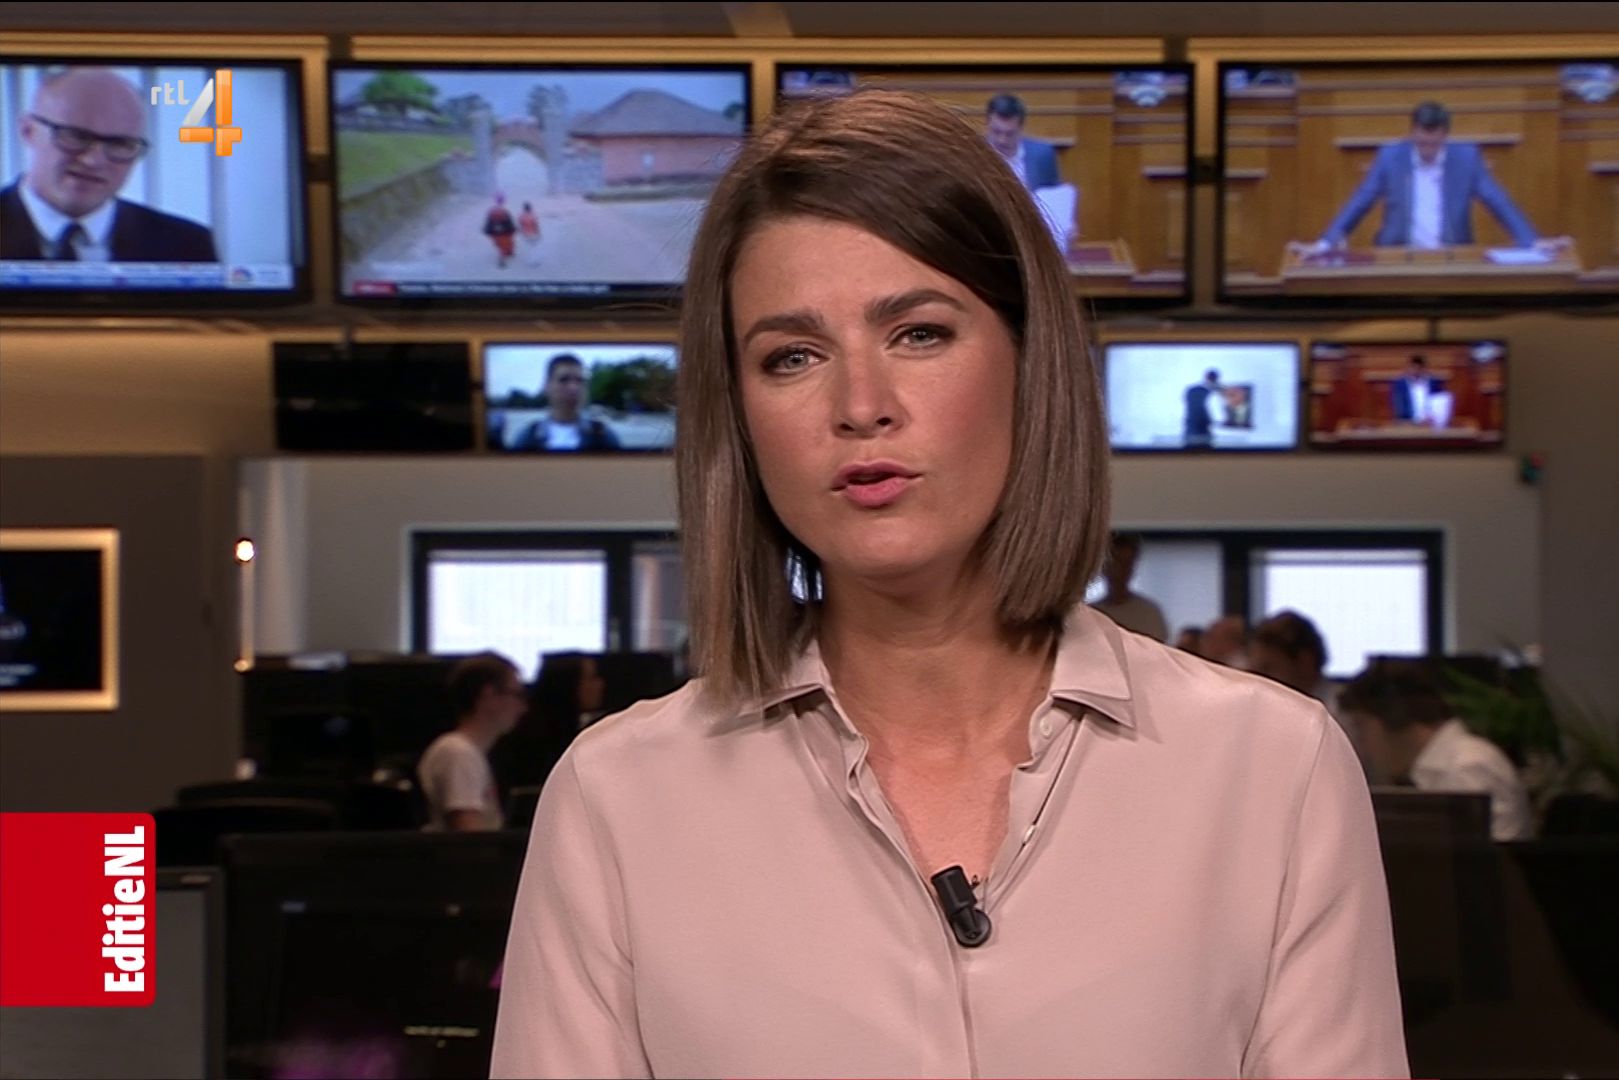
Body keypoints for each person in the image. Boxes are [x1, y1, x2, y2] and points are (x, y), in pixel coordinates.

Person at [492, 89, 1406, 1079]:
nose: (861, 405)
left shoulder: (1271, 770)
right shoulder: (618, 799)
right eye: (792, 356)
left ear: (1029, 361)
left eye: (919, 333)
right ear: (741, 416)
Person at [0, 67, 217, 263]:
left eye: (119, 144)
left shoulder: (188, 244)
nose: (93, 161)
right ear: (28, 131)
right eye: (76, 136)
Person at [1339, 660, 1535, 842]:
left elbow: (1475, 860)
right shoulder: (1450, 765)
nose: (1360, 745)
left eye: (1360, 727)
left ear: (1394, 718)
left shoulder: (1467, 767)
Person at [1313, 101, 1544, 253]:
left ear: (1445, 135)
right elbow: (1361, 200)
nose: (1427, 149)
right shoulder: (1391, 157)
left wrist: (1530, 242)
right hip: (1397, 256)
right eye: (1422, 143)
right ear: (1413, 132)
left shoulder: (1466, 157)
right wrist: (1326, 243)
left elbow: (1497, 200)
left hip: (1452, 257)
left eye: (1434, 144)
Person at [418, 652, 526, 833]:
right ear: (488, 695)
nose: (522, 708)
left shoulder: (465, 752)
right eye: (516, 695)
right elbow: (469, 837)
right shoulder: (459, 754)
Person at [1248, 611, 1367, 772]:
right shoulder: (1257, 715)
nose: (1259, 682)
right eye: (1253, 672)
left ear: (1305, 662)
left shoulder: (1343, 714)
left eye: (1268, 670)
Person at [489, 652, 607, 797]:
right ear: (569, 684)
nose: (600, 684)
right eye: (591, 678)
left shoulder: (572, 730)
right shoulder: (534, 739)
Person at [508, 353, 623, 452]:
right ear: (546, 386)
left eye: (580, 381)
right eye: (564, 380)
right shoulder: (528, 438)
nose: (574, 388)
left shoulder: (603, 437)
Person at [1090, 532, 1169, 642]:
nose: (1120, 570)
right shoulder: (1090, 615)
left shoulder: (1149, 614)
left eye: (1126, 564)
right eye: (1116, 563)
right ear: (1103, 566)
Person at [982, 93, 1061, 191]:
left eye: (1010, 134)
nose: (1002, 140)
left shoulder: (1043, 154)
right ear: (987, 124)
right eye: (996, 132)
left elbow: (1053, 195)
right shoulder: (974, 154)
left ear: (1021, 128)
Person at [1391, 354, 1446, 423]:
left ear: (1423, 369)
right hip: (1408, 422)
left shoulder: (1433, 383)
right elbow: (1399, 407)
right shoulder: (1401, 384)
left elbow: (1439, 403)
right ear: (1408, 368)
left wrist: (1432, 417)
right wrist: (1411, 420)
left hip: (1430, 422)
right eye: (1413, 368)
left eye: (1418, 368)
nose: (1415, 371)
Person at [1184, 368, 1222, 448]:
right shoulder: (1197, 391)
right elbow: (1198, 412)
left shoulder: (1195, 390)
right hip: (1196, 434)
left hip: (1198, 433)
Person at [483, 193, 516, 268]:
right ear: (503, 201)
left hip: (494, 232)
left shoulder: (491, 211)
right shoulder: (505, 211)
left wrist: (488, 231)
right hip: (504, 232)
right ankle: (503, 259)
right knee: (506, 244)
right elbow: (509, 222)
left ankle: (507, 253)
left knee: (500, 245)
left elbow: (488, 222)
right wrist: (513, 230)